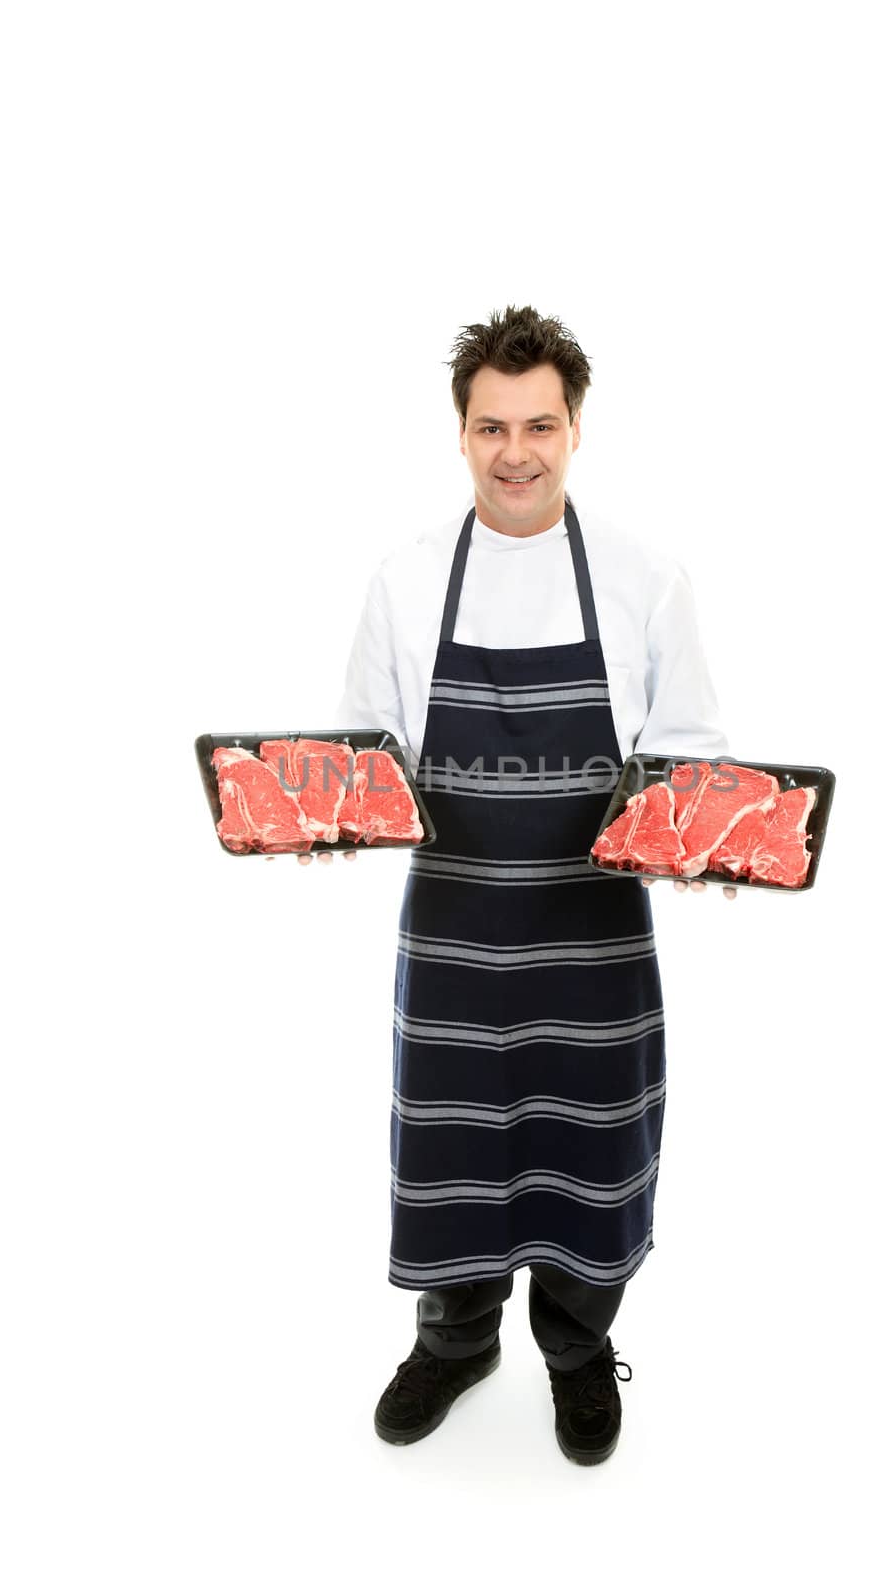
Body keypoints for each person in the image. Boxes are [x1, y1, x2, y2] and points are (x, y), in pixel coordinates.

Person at [304, 305, 736, 1464]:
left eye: (538, 424)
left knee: (591, 1153)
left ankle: (576, 1347)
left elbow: (689, 754)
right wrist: (319, 819)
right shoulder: (402, 581)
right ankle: (453, 1339)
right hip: (451, 941)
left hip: (596, 947)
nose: (515, 451)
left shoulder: (646, 579)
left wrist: (701, 839)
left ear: (575, 427)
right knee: (451, 1155)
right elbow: (359, 751)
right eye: (490, 426)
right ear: (459, 432)